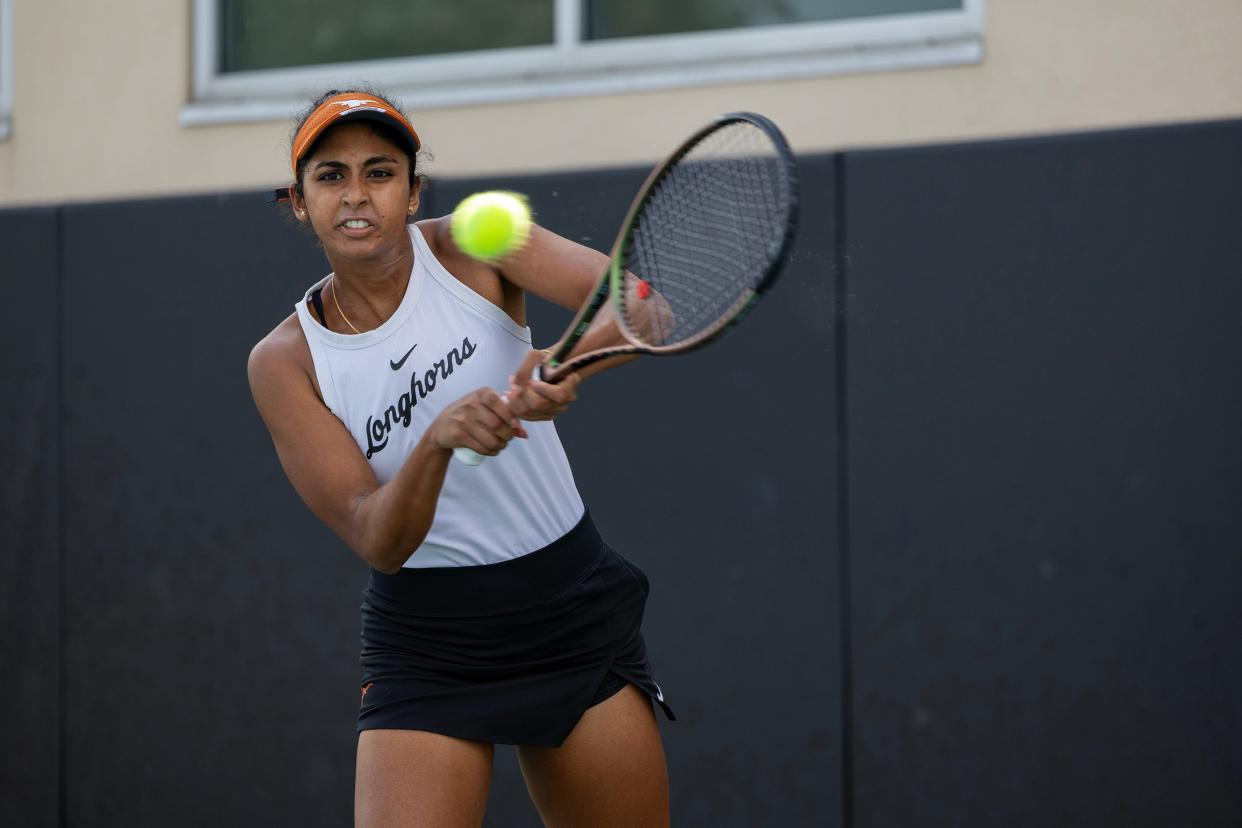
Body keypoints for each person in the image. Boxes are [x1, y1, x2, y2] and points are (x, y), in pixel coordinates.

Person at [247, 90, 674, 827]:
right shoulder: (284, 361)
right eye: (330, 176)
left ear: (413, 192)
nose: (356, 195)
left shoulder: (478, 240)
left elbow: (644, 307)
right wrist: (438, 440)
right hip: (429, 641)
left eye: (380, 173)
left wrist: (564, 365)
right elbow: (375, 534)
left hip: (568, 602)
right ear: (298, 202)